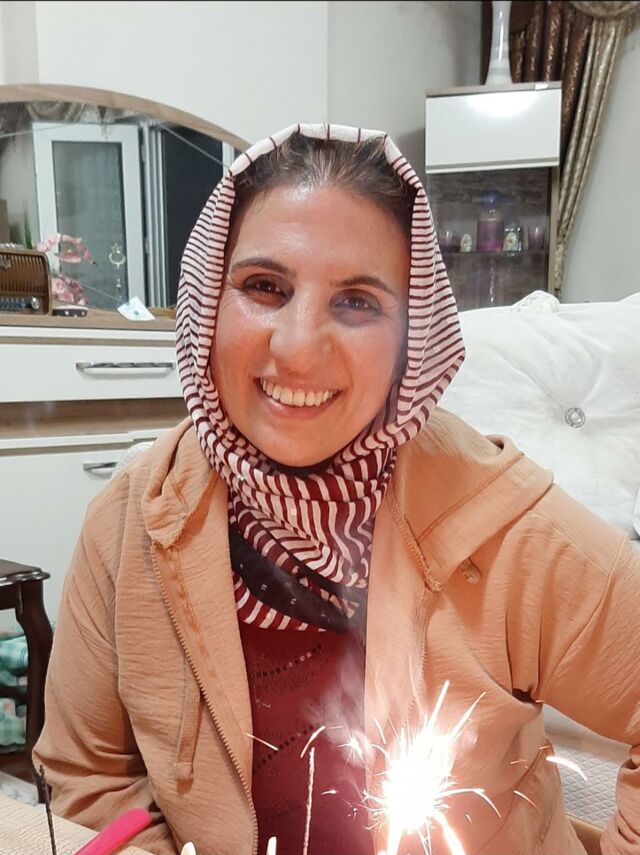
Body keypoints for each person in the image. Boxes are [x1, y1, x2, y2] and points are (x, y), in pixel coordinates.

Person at [34, 124, 640, 855]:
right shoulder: (129, 522)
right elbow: (90, 772)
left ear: (412, 341)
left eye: (356, 302)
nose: (297, 347)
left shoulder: (502, 523)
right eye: (265, 287)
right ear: (208, 303)